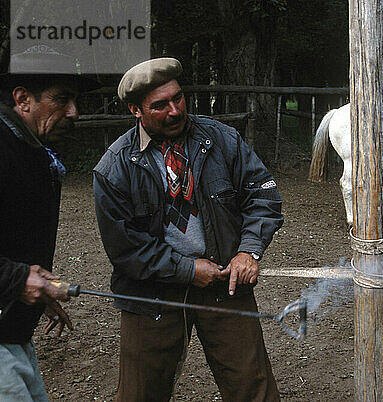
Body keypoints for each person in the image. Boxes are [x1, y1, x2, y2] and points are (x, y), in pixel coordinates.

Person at [93, 57, 284, 402]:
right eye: (160, 105)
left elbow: (264, 196)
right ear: (136, 110)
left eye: (178, 98)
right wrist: (187, 268)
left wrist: (248, 250)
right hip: (151, 294)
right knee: (139, 395)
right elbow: (126, 249)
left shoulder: (222, 140)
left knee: (254, 390)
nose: (175, 111)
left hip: (224, 285)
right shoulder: (113, 168)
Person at [0, 45, 99, 401]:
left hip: (12, 332)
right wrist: (16, 279)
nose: (74, 112)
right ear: (23, 98)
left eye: (75, 100)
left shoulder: (30, 150)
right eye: (62, 99)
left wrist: (28, 293)